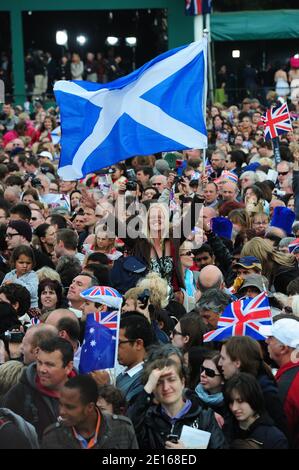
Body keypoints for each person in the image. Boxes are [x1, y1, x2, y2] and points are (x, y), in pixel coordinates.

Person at [130, 357, 227, 449]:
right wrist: (147, 389)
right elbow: (129, 431)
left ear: (182, 382)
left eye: (171, 380)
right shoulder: (149, 419)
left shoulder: (205, 417)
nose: (166, 387)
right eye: (159, 383)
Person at [2, 337, 74, 439]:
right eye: (39, 362)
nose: (42, 369)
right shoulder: (19, 394)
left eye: (50, 365)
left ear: (68, 367)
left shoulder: (84, 391)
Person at [41, 375, 138, 449]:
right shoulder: (52, 437)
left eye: (69, 407)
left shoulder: (122, 430)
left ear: (90, 407)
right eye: (60, 404)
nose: (61, 412)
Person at [219, 336, 286, 434]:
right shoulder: (231, 386)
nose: (220, 363)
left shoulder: (265, 391)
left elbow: (280, 433)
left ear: (237, 363)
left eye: (223, 358)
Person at [261, 317, 299, 448]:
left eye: (271, 338)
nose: (266, 341)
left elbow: (283, 432)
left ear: (283, 348)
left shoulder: (287, 386)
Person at [224, 373, 288, 449]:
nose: (234, 408)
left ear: (253, 399)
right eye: (231, 402)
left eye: (240, 401)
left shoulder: (274, 438)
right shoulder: (225, 427)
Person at [116, 313, 155, 407]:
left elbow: (128, 412)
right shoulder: (124, 374)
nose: (115, 348)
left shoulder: (145, 379)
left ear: (138, 344)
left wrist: (105, 386)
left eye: (120, 343)